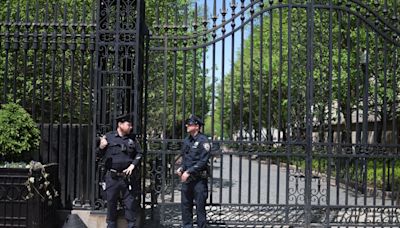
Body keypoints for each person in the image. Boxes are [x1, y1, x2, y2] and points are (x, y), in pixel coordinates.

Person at [97, 113, 142, 228]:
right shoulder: (109, 137)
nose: (131, 127)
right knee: (111, 204)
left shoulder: (132, 139)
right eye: (128, 125)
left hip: (127, 178)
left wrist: (133, 165)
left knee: (130, 204)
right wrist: (102, 147)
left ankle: (131, 225)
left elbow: (139, 153)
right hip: (112, 178)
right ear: (120, 124)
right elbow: (98, 155)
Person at [176, 114, 211, 228]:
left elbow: (203, 161)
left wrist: (189, 171)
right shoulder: (187, 140)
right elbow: (185, 158)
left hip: (199, 180)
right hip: (187, 181)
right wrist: (181, 168)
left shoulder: (203, 141)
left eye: (189, 124)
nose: (187, 126)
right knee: (186, 206)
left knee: (200, 208)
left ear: (197, 126)